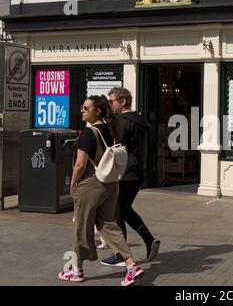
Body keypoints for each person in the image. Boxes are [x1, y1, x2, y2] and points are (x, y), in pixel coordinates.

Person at [58, 95, 144, 286]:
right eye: (82, 107)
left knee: (82, 228)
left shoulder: (88, 134)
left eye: (86, 108)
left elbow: (80, 165)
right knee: (109, 226)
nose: (82, 110)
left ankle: (77, 270)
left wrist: (73, 183)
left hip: (90, 186)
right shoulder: (111, 129)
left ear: (97, 111)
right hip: (111, 185)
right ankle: (131, 265)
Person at [101, 87, 160, 267]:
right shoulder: (138, 119)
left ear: (123, 101)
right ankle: (149, 240)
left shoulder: (123, 122)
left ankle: (121, 254)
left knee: (117, 213)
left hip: (124, 172)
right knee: (124, 210)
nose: (110, 105)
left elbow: (114, 145)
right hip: (136, 171)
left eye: (112, 101)